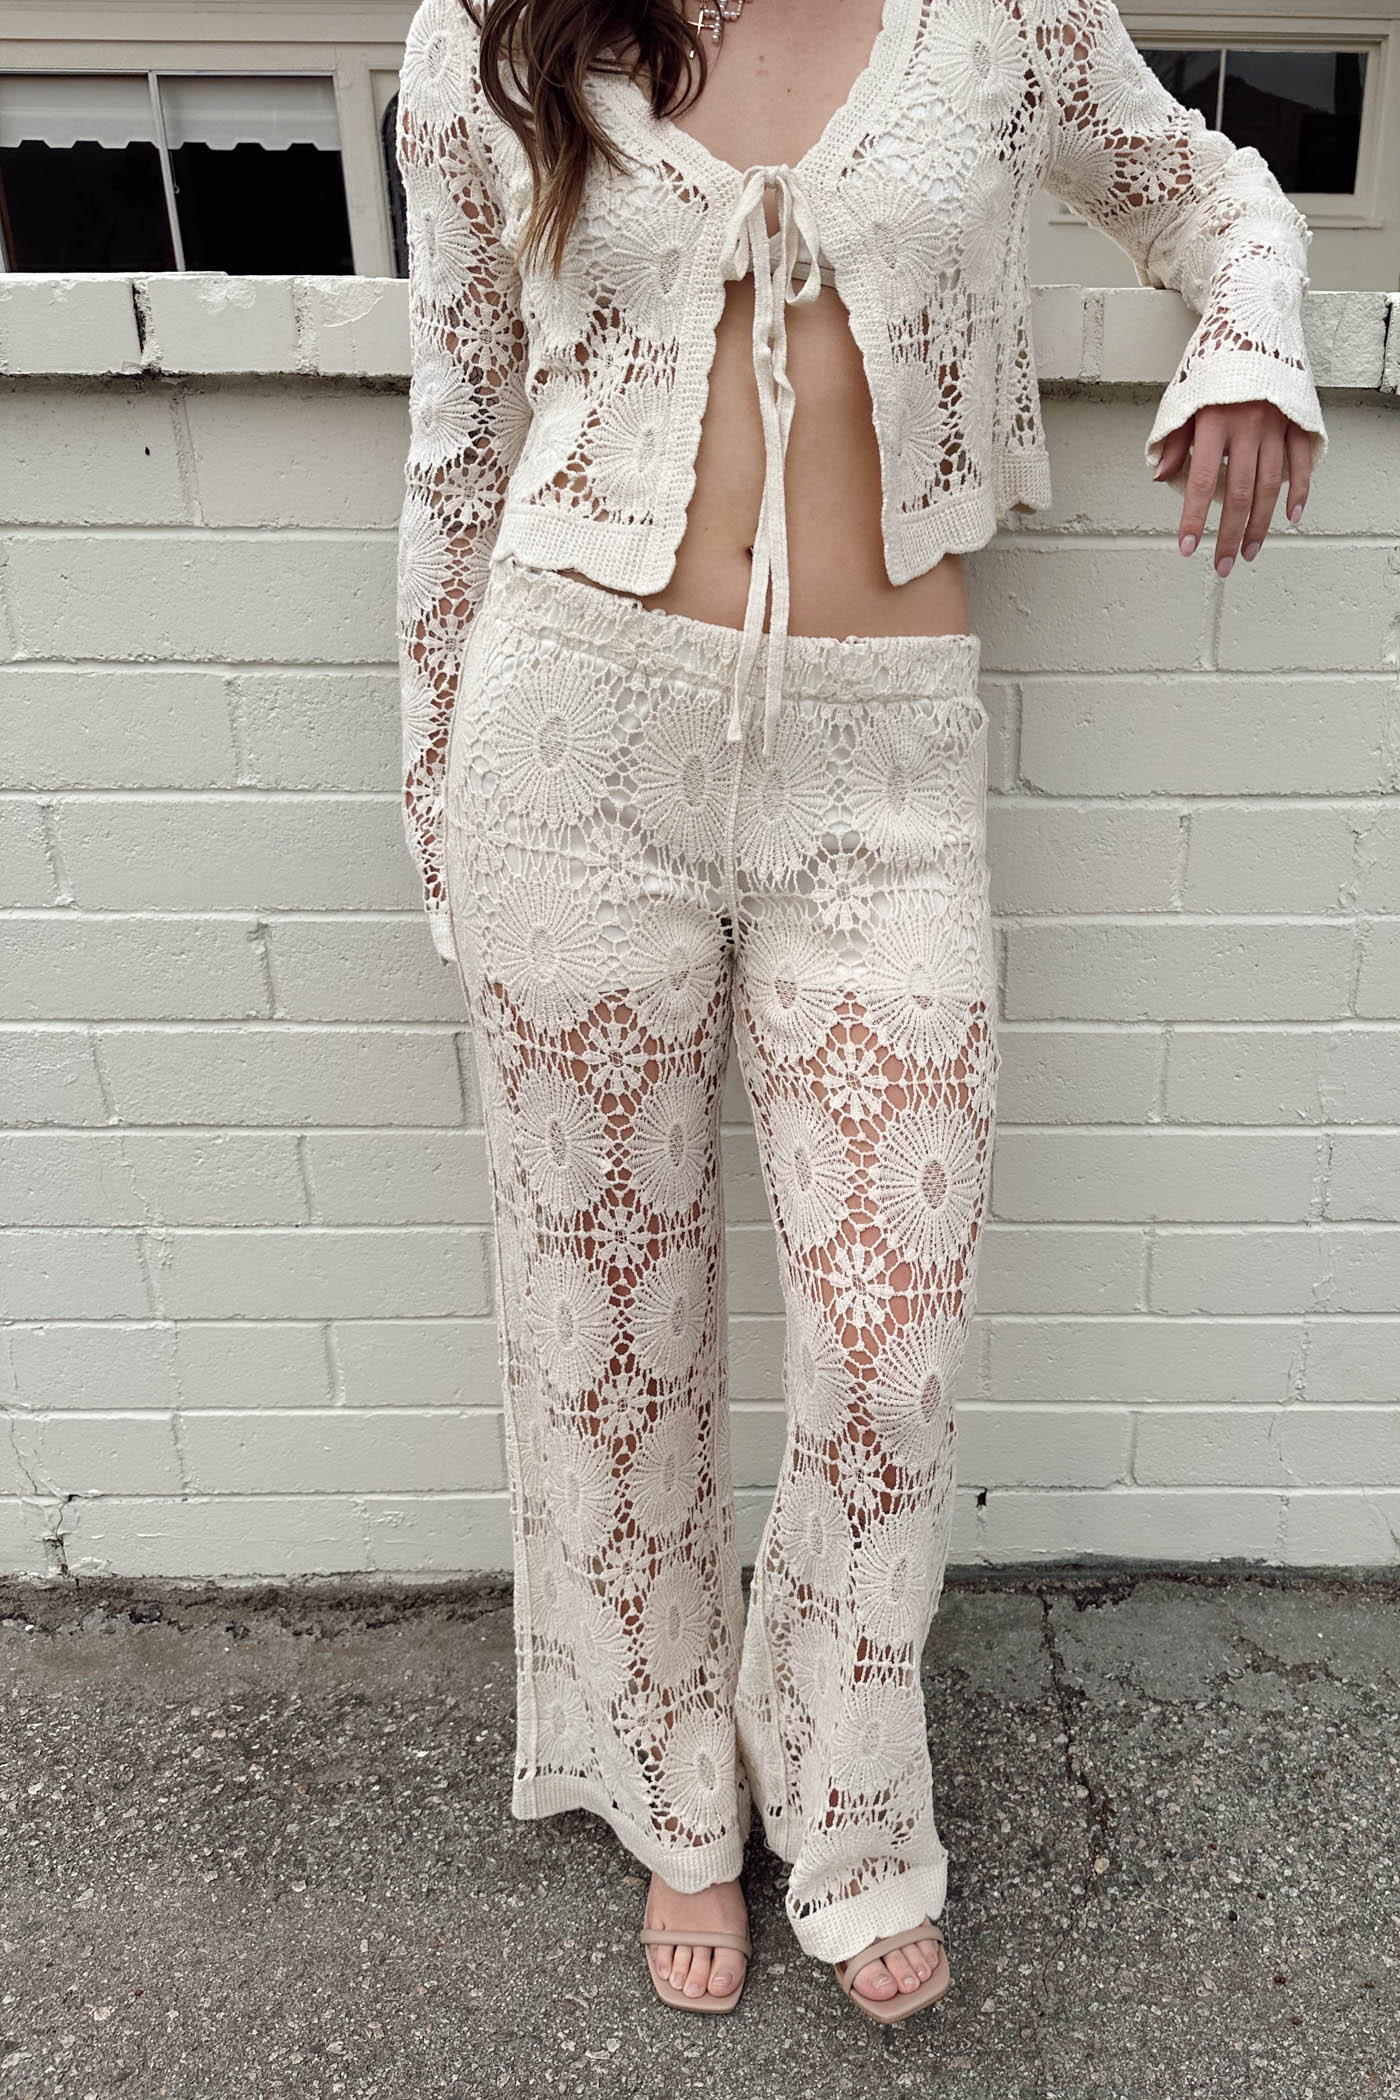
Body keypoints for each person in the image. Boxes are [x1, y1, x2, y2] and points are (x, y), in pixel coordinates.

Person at [393, 0, 1326, 2025]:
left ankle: (848, 1803)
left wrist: (1249, 343)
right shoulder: (492, 33)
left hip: (873, 774)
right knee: (605, 1333)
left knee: (890, 1349)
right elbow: (457, 435)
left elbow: (1215, 200)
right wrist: (440, 813)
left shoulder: (998, 21)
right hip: (571, 740)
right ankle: (673, 1805)